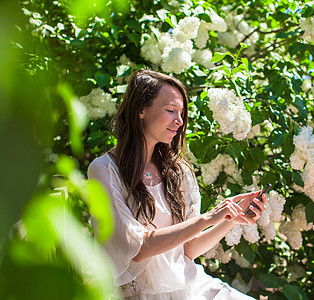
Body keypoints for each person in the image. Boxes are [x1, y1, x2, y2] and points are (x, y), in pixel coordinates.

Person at [87, 69, 267, 299]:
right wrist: (209, 217)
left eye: (181, 113)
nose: (179, 121)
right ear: (141, 110)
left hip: (189, 286)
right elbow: (139, 248)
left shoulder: (177, 171)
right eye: (170, 110)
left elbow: (188, 249)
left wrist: (229, 218)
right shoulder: (104, 170)